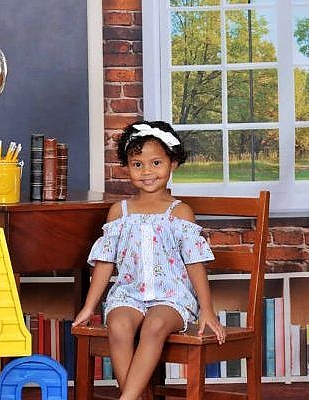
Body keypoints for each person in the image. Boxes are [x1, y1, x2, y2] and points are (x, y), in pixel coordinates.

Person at [72, 120, 225, 400]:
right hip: (128, 295)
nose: (147, 172)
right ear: (127, 167)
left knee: (155, 325)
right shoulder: (120, 212)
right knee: (117, 325)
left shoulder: (180, 213)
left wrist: (207, 309)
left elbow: (195, 264)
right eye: (137, 164)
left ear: (173, 163)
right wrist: (89, 306)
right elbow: (105, 263)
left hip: (171, 298)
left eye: (155, 163)